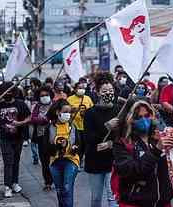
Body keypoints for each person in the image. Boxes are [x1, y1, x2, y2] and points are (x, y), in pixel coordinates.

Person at [112, 100, 173, 207]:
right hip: (135, 203)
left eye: (146, 115)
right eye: (138, 117)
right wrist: (156, 151)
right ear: (130, 119)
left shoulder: (160, 137)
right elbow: (131, 171)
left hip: (163, 202)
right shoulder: (123, 143)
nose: (144, 120)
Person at [83, 72, 119, 207]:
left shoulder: (118, 111)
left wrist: (111, 144)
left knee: (113, 196)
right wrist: (107, 126)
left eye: (110, 90)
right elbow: (89, 137)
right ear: (97, 92)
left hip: (114, 161)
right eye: (104, 91)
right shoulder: (90, 113)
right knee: (96, 197)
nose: (108, 93)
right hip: (95, 161)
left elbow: (123, 136)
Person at [0, 82, 31, 198]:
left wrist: (20, 123)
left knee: (15, 161)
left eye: (10, 91)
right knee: (8, 162)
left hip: (18, 137)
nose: (8, 93)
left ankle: (15, 182)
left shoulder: (21, 104)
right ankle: (7, 186)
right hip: (5, 139)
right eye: (5, 91)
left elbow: (29, 117)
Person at [47, 99, 79, 207]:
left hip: (71, 160)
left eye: (69, 112)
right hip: (55, 162)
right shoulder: (50, 127)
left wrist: (74, 148)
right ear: (57, 112)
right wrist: (57, 147)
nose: (68, 115)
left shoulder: (72, 127)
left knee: (67, 188)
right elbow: (45, 149)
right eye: (65, 111)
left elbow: (79, 144)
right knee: (59, 190)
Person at [30, 86, 54, 191]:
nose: (45, 97)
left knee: (55, 160)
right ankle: (47, 182)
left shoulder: (55, 105)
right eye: (42, 96)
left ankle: (56, 179)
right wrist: (41, 119)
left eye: (46, 95)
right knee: (44, 161)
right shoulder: (37, 107)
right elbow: (32, 118)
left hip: (54, 136)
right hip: (41, 137)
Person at [67, 82, 94, 163]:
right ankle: (77, 160)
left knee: (85, 145)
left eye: (82, 88)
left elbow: (92, 110)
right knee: (78, 144)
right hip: (75, 126)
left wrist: (86, 113)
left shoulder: (88, 98)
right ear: (75, 89)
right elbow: (65, 110)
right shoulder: (69, 99)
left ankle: (82, 158)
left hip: (86, 126)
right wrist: (72, 110)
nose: (81, 90)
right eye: (79, 88)